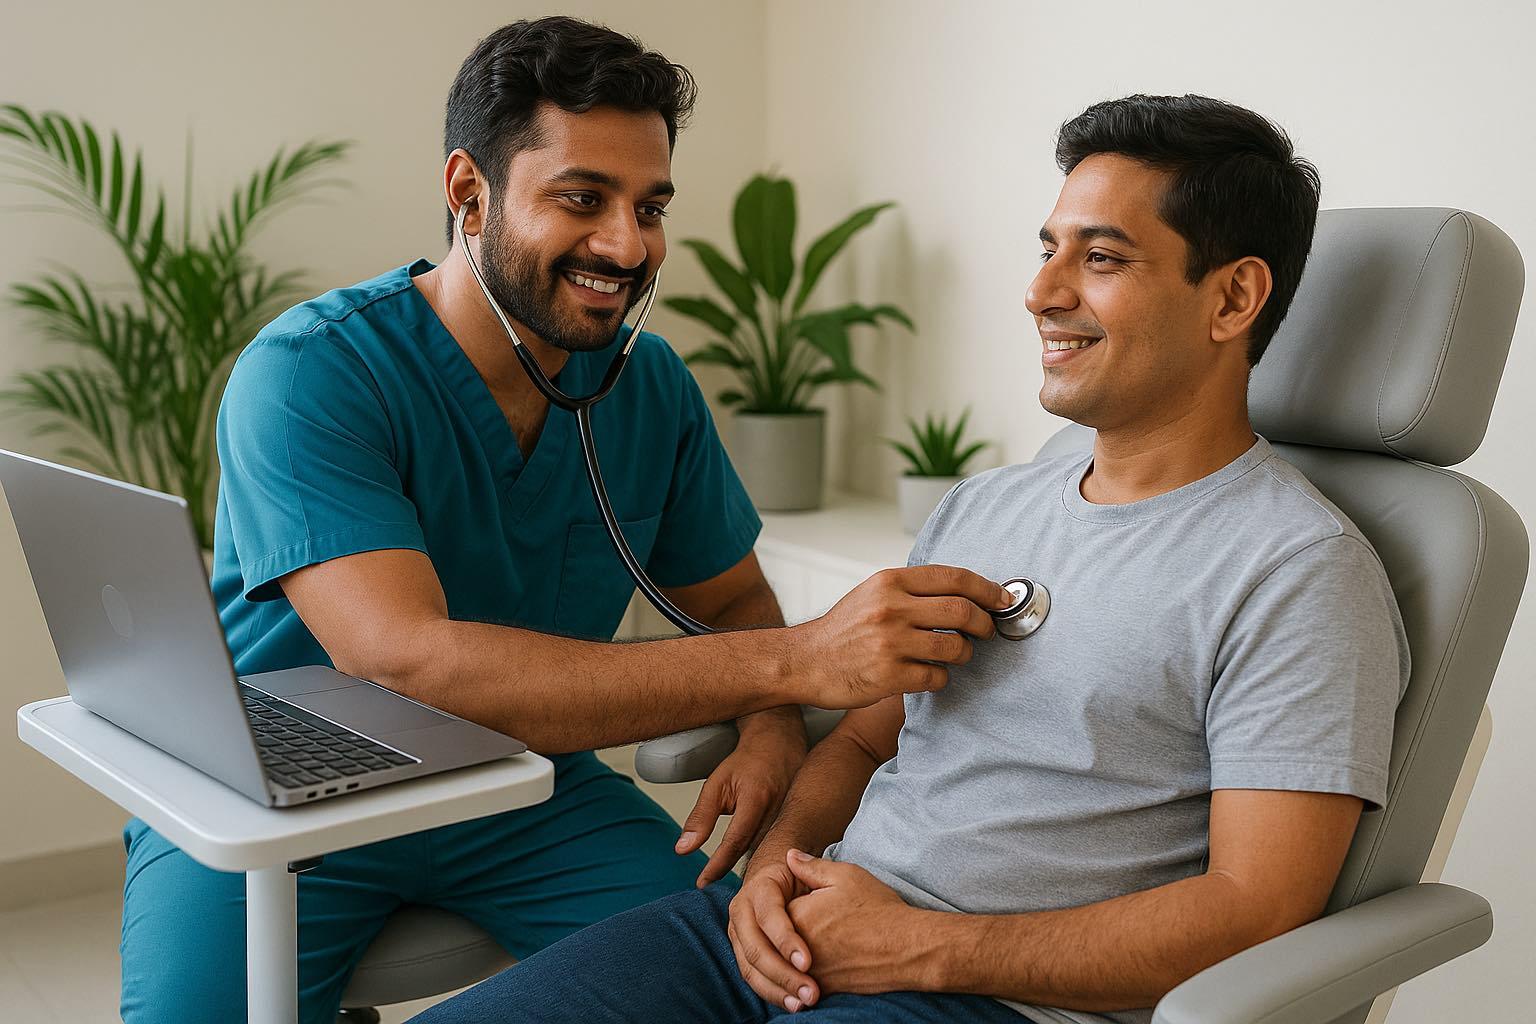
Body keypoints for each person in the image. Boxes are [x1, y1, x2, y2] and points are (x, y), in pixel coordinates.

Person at [407, 94, 1411, 1024]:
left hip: (980, 996)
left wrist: (920, 948)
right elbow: (858, 743)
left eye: (1100, 259)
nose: (1041, 292)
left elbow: (1254, 909)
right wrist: (772, 873)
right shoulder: (987, 505)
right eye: (1049, 249)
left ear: (1233, 298)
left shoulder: (1296, 571)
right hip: (795, 928)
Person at [118, 17, 1010, 1023]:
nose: (628, 246)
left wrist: (769, 728)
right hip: (284, 794)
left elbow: (728, 601)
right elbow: (407, 662)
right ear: (469, 192)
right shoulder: (312, 372)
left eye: (650, 207)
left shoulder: (648, 388)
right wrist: (799, 665)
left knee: (760, 978)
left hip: (517, 793)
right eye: (583, 198)